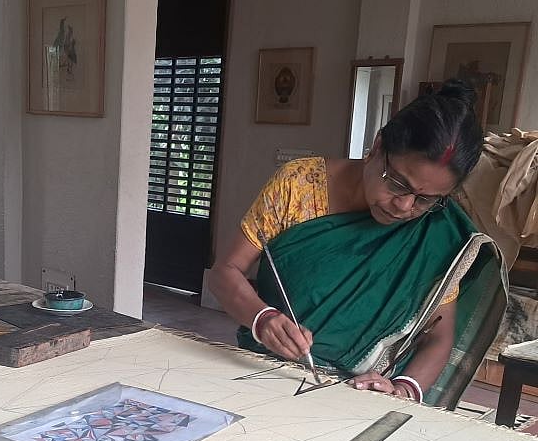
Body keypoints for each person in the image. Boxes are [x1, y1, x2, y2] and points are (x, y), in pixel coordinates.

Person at [208, 80, 505, 406]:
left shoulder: (438, 233)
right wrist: (261, 318)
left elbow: (439, 334)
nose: (404, 207)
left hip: (358, 399)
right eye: (397, 183)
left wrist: (404, 389)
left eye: (426, 200)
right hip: (266, 376)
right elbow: (226, 271)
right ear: (377, 147)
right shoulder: (299, 186)